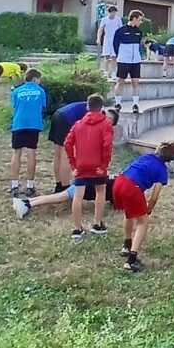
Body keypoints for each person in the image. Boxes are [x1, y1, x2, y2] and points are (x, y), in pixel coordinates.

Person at [112, 142, 174, 272]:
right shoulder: (162, 171)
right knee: (143, 222)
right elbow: (154, 197)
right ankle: (131, 260)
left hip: (119, 182)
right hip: (132, 188)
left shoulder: (147, 156)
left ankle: (126, 246)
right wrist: (148, 209)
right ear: (172, 158)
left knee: (129, 214)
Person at [63, 93, 114, 239]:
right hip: (98, 165)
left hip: (81, 165)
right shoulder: (106, 124)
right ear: (101, 108)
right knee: (100, 191)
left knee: (78, 195)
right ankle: (97, 223)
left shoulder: (78, 124)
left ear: (87, 106)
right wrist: (104, 165)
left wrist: (73, 164)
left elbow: (67, 143)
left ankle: (77, 228)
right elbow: (107, 146)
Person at [48, 98, 118, 191]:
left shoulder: (96, 108)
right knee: (65, 156)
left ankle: (59, 184)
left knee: (58, 154)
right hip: (67, 119)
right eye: (109, 119)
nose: (107, 122)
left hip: (58, 114)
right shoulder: (97, 114)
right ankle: (64, 187)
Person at [9, 68, 46, 197]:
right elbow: (42, 107)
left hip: (19, 123)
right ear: (35, 79)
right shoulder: (40, 91)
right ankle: (30, 185)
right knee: (31, 154)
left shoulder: (16, 91)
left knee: (16, 153)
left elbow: (14, 106)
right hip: (34, 124)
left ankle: (14, 185)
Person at [12, 174, 116, 220]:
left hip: (88, 181)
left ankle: (27, 201)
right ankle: (28, 204)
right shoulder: (119, 185)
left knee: (58, 196)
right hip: (87, 187)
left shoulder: (118, 178)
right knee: (59, 197)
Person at [112, 9, 145, 116]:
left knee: (135, 82)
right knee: (120, 81)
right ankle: (117, 103)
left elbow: (139, 45)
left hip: (135, 61)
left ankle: (135, 104)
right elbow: (115, 44)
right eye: (140, 20)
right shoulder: (121, 31)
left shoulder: (139, 32)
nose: (141, 22)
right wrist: (119, 56)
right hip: (123, 60)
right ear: (134, 18)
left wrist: (140, 56)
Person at [96, 6, 122, 79]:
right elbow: (100, 30)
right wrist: (98, 38)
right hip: (107, 40)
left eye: (115, 12)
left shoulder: (118, 19)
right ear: (109, 12)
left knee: (114, 57)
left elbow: (121, 30)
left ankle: (113, 73)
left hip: (115, 40)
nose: (114, 14)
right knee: (106, 56)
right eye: (112, 12)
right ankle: (105, 72)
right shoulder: (104, 19)